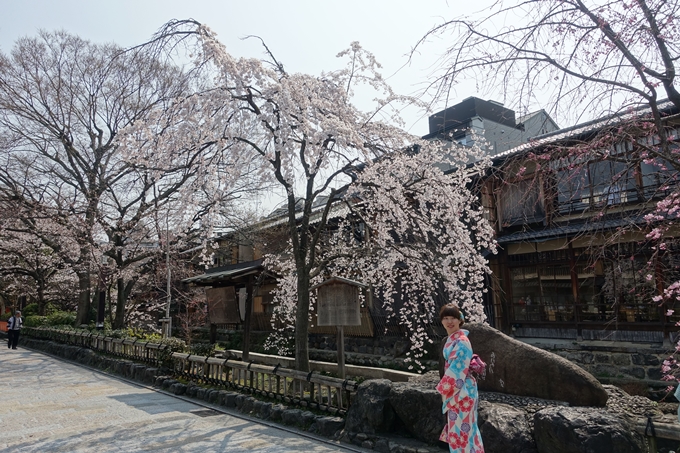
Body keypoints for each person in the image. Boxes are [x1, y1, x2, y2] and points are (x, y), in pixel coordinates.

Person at [436, 304, 484, 453]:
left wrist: (443, 388)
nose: (450, 322)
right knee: (461, 431)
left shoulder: (461, 341)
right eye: (446, 318)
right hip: (460, 389)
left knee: (463, 432)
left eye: (453, 318)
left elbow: (457, 368)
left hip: (462, 390)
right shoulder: (453, 339)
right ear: (442, 321)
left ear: (460, 321)